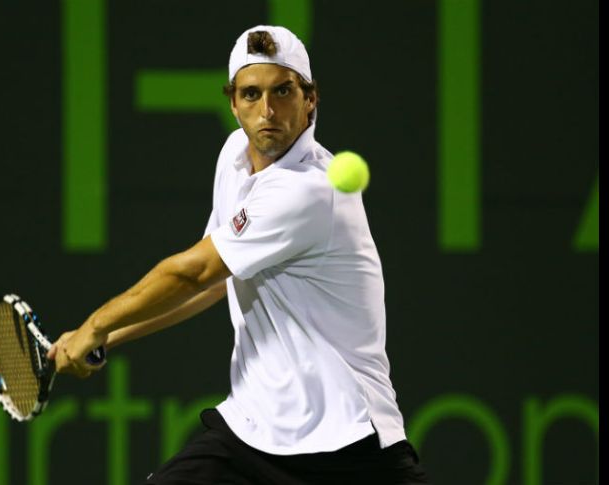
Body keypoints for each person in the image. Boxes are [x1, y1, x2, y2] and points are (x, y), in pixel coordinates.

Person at [48, 25, 430, 485]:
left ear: (310, 99)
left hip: (347, 442)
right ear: (233, 103)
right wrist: (104, 338)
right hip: (253, 432)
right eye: (251, 94)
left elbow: (192, 274)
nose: (267, 111)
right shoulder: (234, 157)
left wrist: (94, 325)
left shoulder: (309, 190)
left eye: (282, 91)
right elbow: (214, 284)